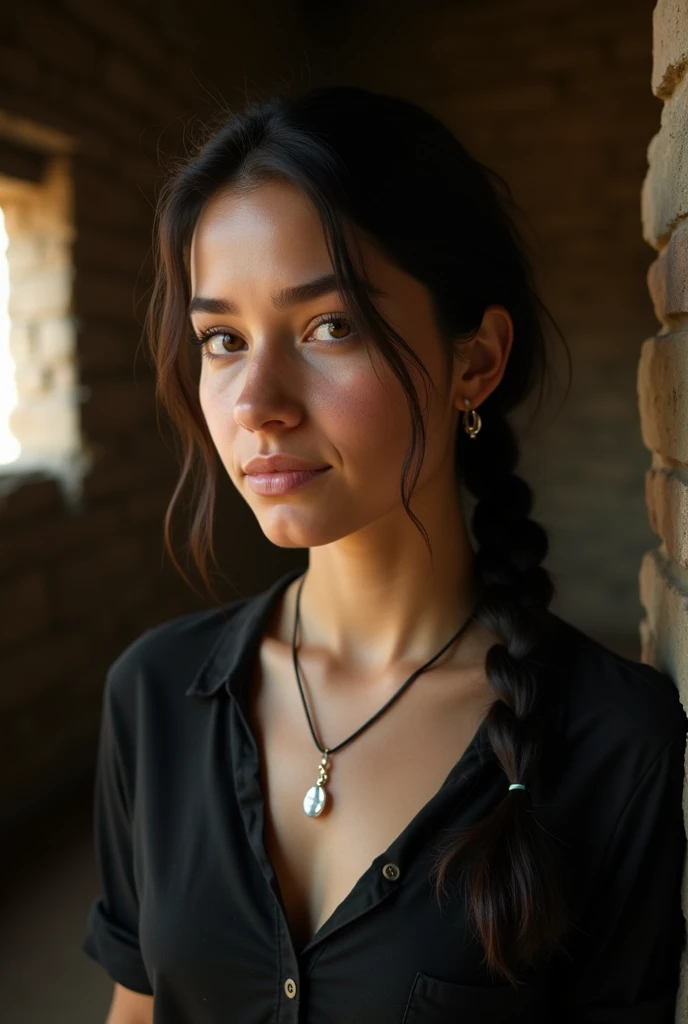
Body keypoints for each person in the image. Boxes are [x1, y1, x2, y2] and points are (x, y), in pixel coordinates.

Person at [82, 85, 687, 1023]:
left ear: (476, 361)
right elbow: (138, 1006)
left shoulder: (615, 740)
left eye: (330, 325)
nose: (256, 402)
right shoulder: (156, 695)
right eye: (223, 339)